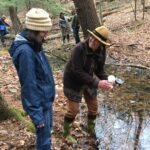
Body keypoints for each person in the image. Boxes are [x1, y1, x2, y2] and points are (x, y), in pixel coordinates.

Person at [9, 8, 55, 150]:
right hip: (39, 105)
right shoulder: (26, 52)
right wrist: (36, 115)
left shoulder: (35, 44)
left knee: (46, 136)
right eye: (43, 31)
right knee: (44, 140)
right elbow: (28, 85)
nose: (46, 35)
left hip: (45, 100)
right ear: (34, 30)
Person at [62, 26, 113, 143]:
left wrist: (107, 80)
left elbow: (100, 70)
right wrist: (97, 82)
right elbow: (76, 71)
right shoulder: (78, 49)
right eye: (92, 37)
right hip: (72, 81)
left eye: (97, 40)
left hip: (89, 79)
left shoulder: (101, 51)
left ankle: (91, 128)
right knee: (73, 110)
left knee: (94, 108)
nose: (93, 40)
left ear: (102, 43)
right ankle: (66, 133)